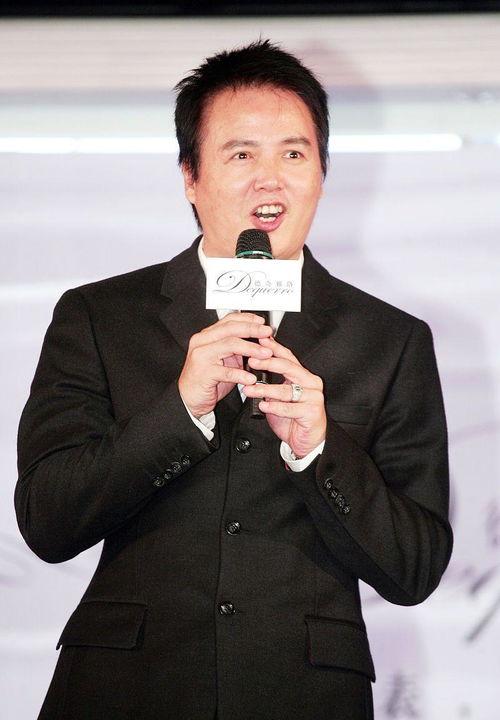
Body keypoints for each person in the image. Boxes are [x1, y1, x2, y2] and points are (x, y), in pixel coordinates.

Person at [15, 39, 453, 720]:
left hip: (305, 694)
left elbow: (414, 567)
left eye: (294, 154)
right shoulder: (100, 316)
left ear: (323, 173)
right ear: (190, 177)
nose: (269, 180)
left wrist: (318, 448)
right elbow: (47, 520)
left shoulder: (390, 341)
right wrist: (180, 410)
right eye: (241, 155)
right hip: (124, 687)